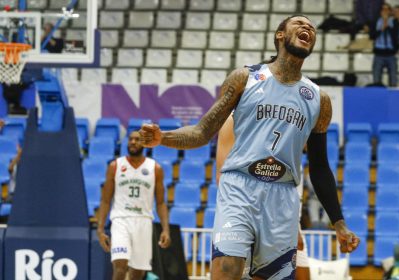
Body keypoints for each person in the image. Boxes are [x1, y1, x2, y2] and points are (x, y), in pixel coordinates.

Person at [139, 15, 359, 280]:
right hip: (240, 187)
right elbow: (201, 132)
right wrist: (163, 137)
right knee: (227, 270)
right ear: (279, 35)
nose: (308, 28)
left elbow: (320, 167)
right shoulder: (245, 78)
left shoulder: (318, 100)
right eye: (299, 23)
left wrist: (339, 223)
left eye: (312, 27)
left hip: (283, 196)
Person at [216, 115, 310, 280]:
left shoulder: (290, 118)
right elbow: (222, 177)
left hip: (287, 219)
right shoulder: (234, 120)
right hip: (252, 216)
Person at [96, 131, 171, 280]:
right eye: (130, 139)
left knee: (138, 273)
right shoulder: (115, 166)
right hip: (120, 220)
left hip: (144, 221)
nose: (133, 142)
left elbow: (161, 202)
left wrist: (166, 230)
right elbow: (105, 200)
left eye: (137, 139)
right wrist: (100, 229)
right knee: (120, 267)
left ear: (144, 143)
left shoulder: (155, 168)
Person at [372, 3, 399, 87]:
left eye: (387, 9)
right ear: (380, 11)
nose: (385, 11)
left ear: (390, 11)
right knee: (376, 78)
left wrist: (387, 25)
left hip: (391, 53)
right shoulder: (375, 21)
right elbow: (372, 36)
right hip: (378, 53)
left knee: (393, 78)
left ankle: (393, 96)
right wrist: (381, 28)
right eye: (383, 9)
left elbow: (395, 35)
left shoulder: (394, 21)